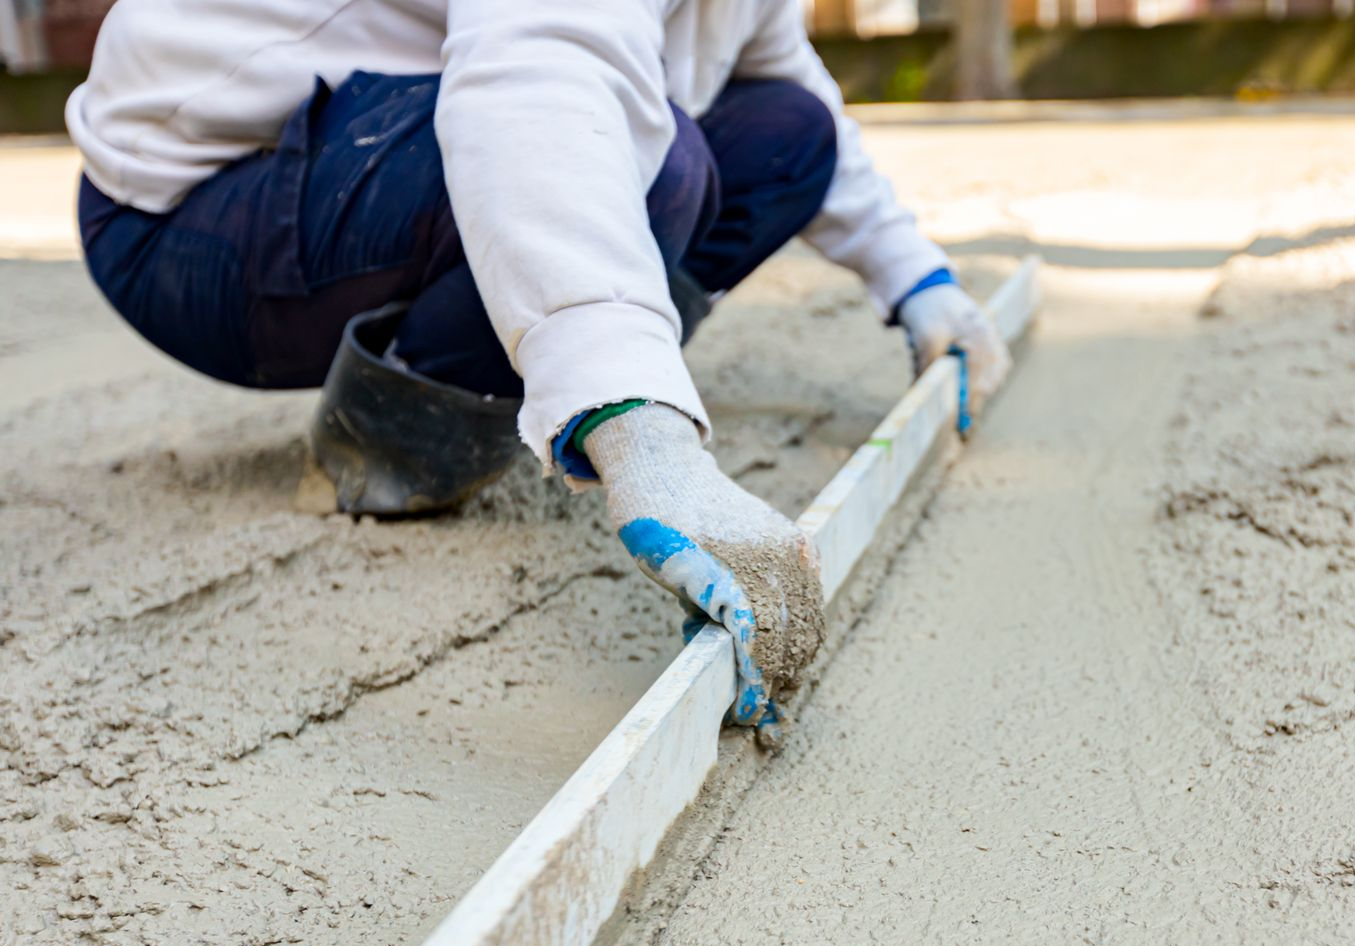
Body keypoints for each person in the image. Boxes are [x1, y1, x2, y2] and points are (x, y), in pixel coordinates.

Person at [65, 0, 1010, 738]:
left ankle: (554, 359)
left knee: (784, 133)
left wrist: (915, 278)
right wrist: (643, 431)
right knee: (657, 161)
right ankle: (394, 437)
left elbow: (776, 72)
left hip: (377, 135)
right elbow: (540, 93)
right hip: (191, 205)